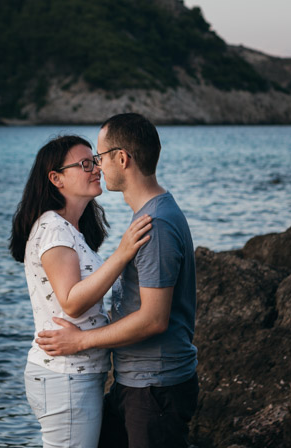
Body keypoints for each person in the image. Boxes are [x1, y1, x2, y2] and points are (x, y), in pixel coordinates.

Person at [36, 113, 198, 448]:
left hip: (154, 387)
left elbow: (154, 319)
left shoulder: (157, 225)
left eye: (99, 157)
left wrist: (80, 342)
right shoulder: (148, 216)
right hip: (136, 383)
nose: (98, 167)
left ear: (121, 158)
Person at [10, 134, 154, 448]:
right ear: (56, 178)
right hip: (66, 376)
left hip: (74, 374)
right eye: (85, 164)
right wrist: (123, 253)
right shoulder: (53, 228)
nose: (96, 169)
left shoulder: (70, 228)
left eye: (95, 161)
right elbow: (72, 302)